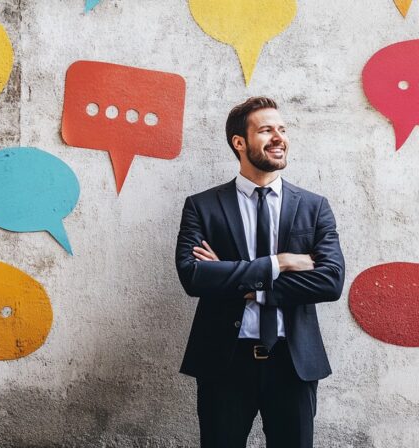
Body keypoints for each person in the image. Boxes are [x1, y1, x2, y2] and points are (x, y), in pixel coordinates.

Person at [175, 96, 346, 448]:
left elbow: (330, 280)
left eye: (282, 129)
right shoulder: (202, 206)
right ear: (240, 142)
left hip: (293, 362)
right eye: (266, 130)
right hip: (225, 362)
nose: (279, 137)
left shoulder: (314, 208)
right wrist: (280, 263)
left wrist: (253, 286)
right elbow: (193, 276)